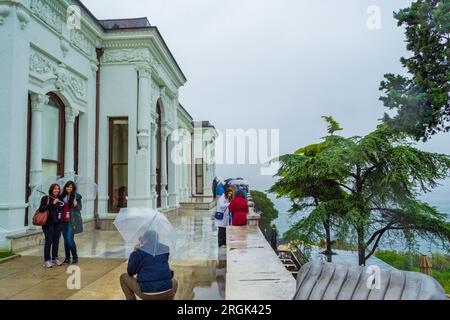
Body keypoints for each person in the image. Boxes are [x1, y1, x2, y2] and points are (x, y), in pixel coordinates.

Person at [120, 230, 178, 300]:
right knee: (174, 281)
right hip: (167, 292)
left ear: (145, 240)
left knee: (123, 277)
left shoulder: (139, 252)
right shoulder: (165, 249)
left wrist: (134, 252)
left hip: (147, 293)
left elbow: (130, 272)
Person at [39, 183, 63, 268]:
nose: (56, 190)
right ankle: (47, 260)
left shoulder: (60, 199)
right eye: (55, 188)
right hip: (48, 224)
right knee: (48, 242)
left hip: (58, 224)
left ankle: (54, 258)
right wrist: (52, 203)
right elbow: (41, 208)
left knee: (56, 242)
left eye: (58, 189)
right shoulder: (46, 198)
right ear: (51, 190)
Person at [60, 181, 81, 264]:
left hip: (71, 221)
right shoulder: (61, 196)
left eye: (71, 187)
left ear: (73, 188)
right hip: (63, 220)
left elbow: (79, 208)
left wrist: (76, 205)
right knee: (65, 240)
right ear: (65, 187)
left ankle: (75, 257)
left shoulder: (77, 197)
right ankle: (67, 258)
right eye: (67, 187)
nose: (69, 188)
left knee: (69, 239)